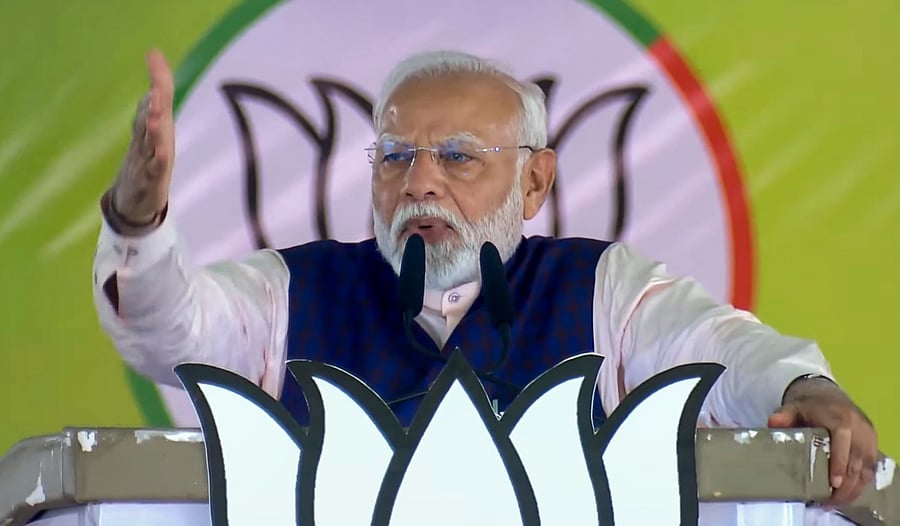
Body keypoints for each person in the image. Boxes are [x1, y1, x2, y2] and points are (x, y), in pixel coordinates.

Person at [92, 49, 878, 506]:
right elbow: (173, 332)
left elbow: (721, 351)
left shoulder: (602, 289)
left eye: (458, 157)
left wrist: (800, 387)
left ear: (535, 184)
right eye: (396, 156)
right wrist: (137, 222)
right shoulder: (292, 290)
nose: (419, 184)